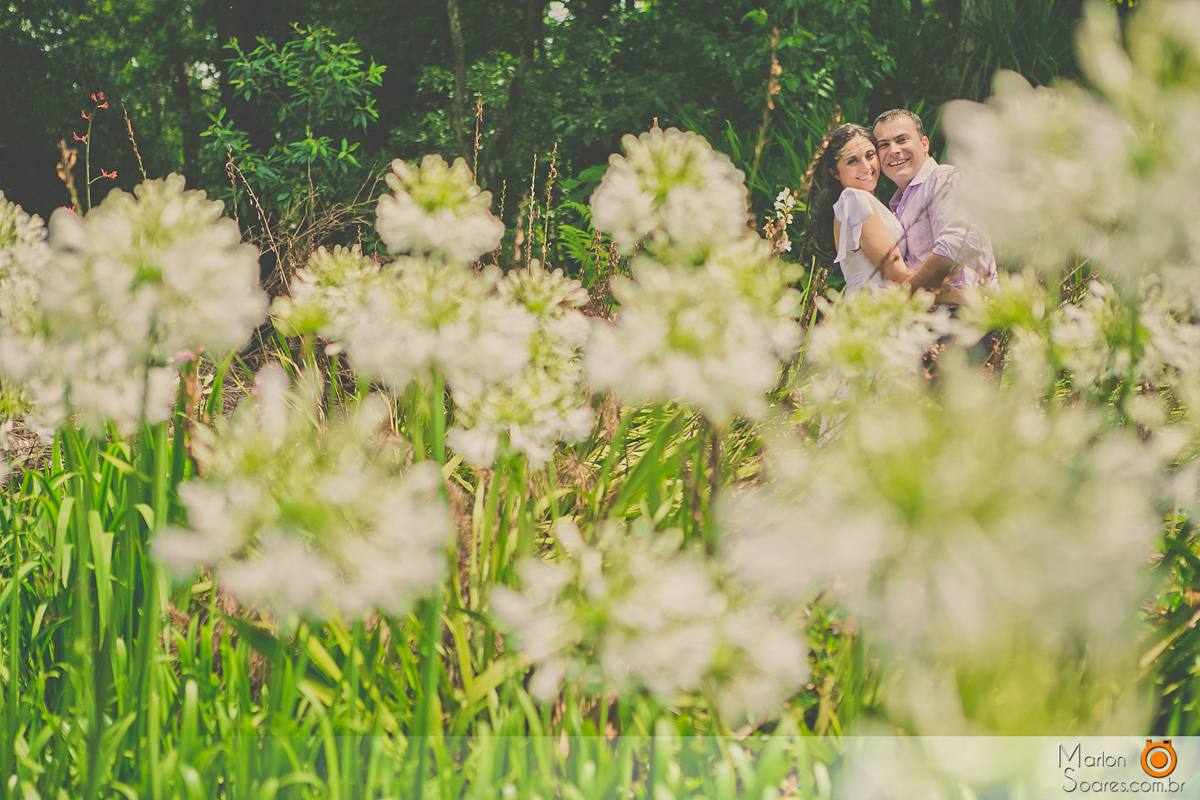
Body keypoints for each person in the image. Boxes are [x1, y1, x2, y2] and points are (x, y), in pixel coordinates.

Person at [872, 109, 998, 293]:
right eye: (883, 145)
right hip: (935, 315)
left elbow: (958, 244)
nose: (894, 151)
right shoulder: (899, 205)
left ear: (924, 144)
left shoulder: (944, 179)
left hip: (967, 312)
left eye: (902, 140)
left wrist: (904, 294)